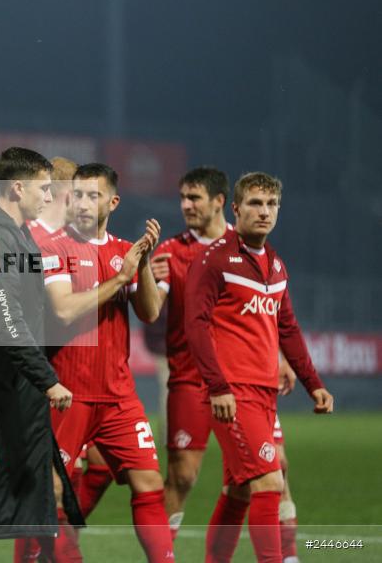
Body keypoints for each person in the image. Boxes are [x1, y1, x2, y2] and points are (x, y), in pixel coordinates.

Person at [185, 172, 334, 563]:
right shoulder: (215, 260)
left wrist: (313, 383)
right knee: (269, 480)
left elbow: (288, 328)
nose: (264, 212)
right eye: (254, 203)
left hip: (264, 393)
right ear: (235, 209)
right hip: (232, 393)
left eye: (271, 205)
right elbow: (195, 327)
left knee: (238, 490)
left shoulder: (276, 266)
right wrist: (217, 387)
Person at [41, 163, 174, 562]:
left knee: (149, 481)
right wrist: (119, 280)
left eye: (92, 195)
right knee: (55, 494)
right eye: (77, 194)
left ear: (112, 202)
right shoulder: (55, 249)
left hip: (118, 396)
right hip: (67, 394)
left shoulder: (122, 252)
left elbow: (149, 311)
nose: (82, 203)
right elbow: (64, 311)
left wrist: (144, 263)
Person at [0, 148, 81, 557]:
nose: (49, 198)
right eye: (44, 189)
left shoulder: (16, 232)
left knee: (40, 495)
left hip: (21, 392)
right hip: (4, 393)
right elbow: (4, 319)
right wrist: (46, 378)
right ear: (17, 188)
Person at [149, 167, 236, 537]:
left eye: (195, 197)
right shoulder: (171, 252)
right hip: (189, 377)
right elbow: (150, 310)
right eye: (183, 197)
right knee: (182, 475)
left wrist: (279, 356)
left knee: (267, 471)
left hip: (242, 376)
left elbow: (269, 304)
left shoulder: (246, 247)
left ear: (219, 201)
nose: (186, 205)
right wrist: (145, 278)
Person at [29, 157, 114, 519]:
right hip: (43, 375)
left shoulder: (72, 242)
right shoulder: (37, 240)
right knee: (51, 483)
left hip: (74, 377)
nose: (84, 204)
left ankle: (64, 534)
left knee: (99, 465)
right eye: (78, 194)